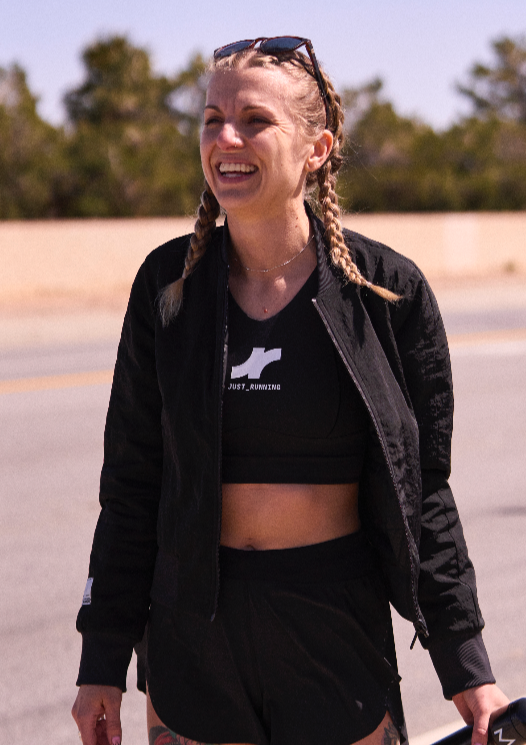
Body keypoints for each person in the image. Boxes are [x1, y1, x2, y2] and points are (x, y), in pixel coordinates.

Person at [72, 37, 508, 745]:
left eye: (254, 119)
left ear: (316, 148)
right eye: (211, 119)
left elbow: (422, 490)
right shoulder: (167, 288)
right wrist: (102, 660)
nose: (226, 138)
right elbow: (131, 483)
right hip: (192, 637)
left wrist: (465, 664)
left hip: (333, 625)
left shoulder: (385, 293)